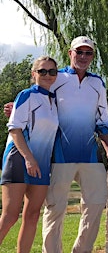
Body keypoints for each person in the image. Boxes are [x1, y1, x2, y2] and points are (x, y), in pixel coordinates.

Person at [4, 36, 108, 253]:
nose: (83, 57)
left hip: (90, 157)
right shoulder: (57, 78)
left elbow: (102, 121)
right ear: (70, 53)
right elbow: (36, 97)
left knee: (95, 205)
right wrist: (17, 108)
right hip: (59, 157)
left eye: (88, 53)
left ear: (92, 56)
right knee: (55, 209)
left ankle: (81, 250)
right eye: (79, 52)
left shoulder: (97, 83)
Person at [0, 56, 60, 253]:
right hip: (19, 158)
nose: (47, 75)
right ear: (34, 74)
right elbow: (15, 129)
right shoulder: (26, 95)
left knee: (33, 215)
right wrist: (28, 158)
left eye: (52, 71)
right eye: (42, 71)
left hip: (41, 163)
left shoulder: (54, 101)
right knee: (10, 216)